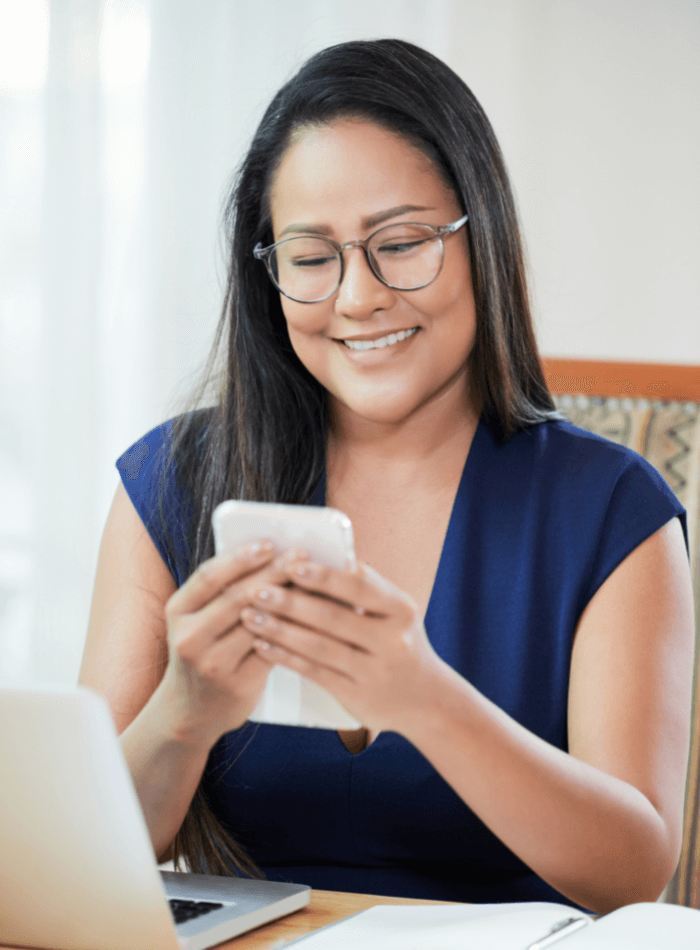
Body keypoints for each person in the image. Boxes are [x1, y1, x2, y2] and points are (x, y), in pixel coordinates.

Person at [79, 39, 694, 914]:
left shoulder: (611, 512)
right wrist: (185, 707)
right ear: (270, 273)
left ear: (483, 237)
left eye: (401, 243)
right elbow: (87, 857)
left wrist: (422, 697)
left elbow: (636, 872)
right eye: (311, 255)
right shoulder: (169, 485)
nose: (359, 297)